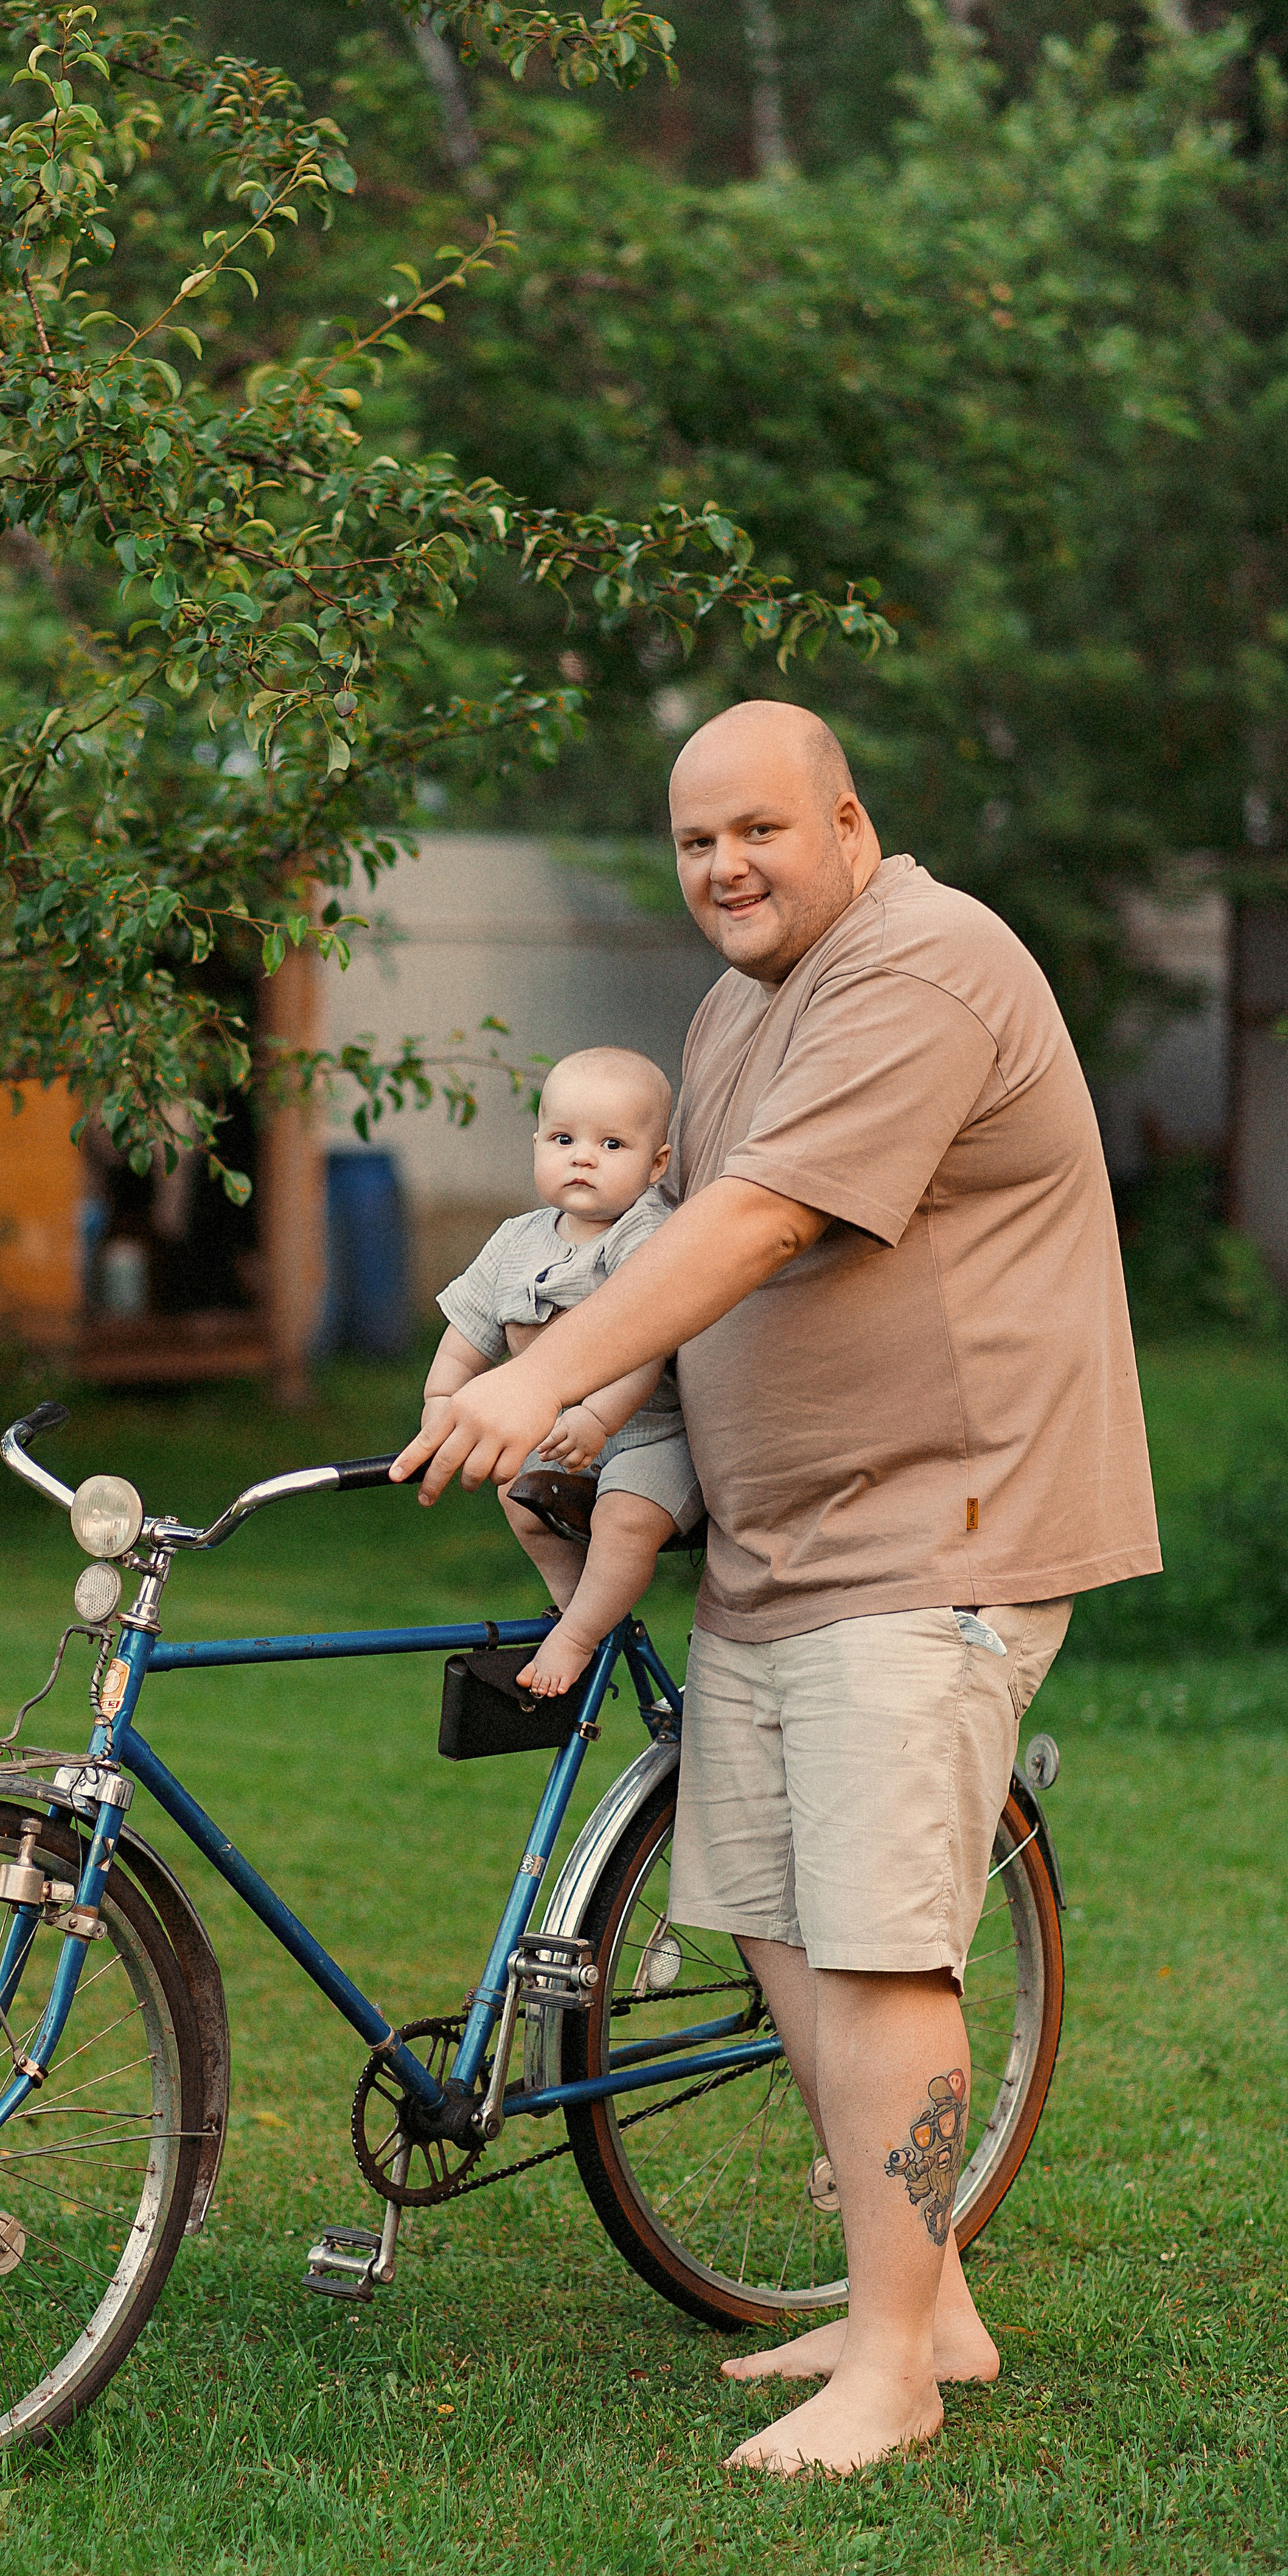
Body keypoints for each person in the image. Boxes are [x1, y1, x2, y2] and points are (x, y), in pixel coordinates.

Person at [391, 698, 1159, 2477]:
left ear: (843, 820)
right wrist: (579, 1407)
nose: (723, 866)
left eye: (757, 828)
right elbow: (683, 1236)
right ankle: (923, 2298)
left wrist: (533, 1373)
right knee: (773, 1913)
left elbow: (760, 1226)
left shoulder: (923, 964)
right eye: (691, 841)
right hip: (775, 1542)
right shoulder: (739, 1008)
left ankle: (887, 2365)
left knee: (881, 1937)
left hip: (931, 1533)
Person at [424, 1048, 702, 1697]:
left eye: (611, 1143)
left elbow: (643, 1343)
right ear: (537, 1145)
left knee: (625, 1517)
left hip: (653, 1435)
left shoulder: (646, 1234)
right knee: (517, 1495)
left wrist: (598, 1416)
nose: (583, 1157)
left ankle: (576, 1639)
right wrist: (442, 1397)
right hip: (561, 1437)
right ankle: (576, 1605)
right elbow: (467, 1332)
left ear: (657, 1163)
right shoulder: (516, 1240)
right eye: (563, 1139)